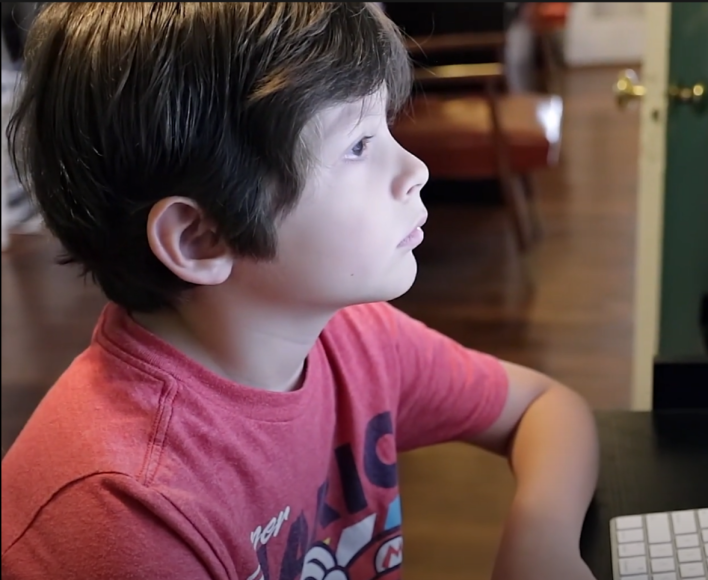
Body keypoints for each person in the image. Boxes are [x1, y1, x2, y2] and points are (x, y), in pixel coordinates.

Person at [0, 4, 599, 580]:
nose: (415, 169)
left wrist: (539, 543)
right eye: (359, 146)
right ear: (201, 237)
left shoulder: (353, 339)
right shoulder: (126, 514)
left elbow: (544, 407)